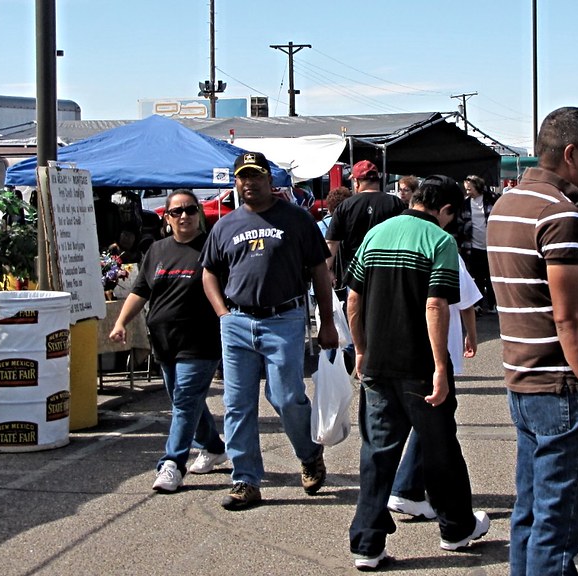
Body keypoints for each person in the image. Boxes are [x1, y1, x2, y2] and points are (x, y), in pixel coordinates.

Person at [486, 107, 578, 576]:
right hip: (563, 390)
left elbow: (532, 278)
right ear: (571, 154)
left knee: (530, 518)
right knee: (560, 530)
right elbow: (571, 321)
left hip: (525, 380)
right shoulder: (558, 215)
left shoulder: (509, 205)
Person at [346, 175, 490, 570]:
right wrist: (442, 365)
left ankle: (366, 544)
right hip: (419, 366)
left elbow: (353, 299)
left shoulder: (376, 235)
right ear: (444, 210)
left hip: (377, 363)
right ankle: (456, 528)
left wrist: (360, 348)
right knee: (441, 448)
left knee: (376, 453)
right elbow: (435, 305)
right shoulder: (439, 242)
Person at [200, 151, 338, 511]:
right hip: (238, 323)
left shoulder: (295, 219)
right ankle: (245, 479)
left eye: (256, 176)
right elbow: (209, 272)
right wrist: (223, 314)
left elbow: (319, 271)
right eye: (243, 177)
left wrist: (326, 322)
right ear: (236, 181)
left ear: (269, 178)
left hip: (284, 320)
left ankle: (309, 454)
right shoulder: (224, 226)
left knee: (286, 396)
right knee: (237, 403)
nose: (250, 183)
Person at [108, 190, 228, 493]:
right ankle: (214, 447)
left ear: (199, 213)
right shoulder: (157, 251)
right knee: (184, 401)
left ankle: (172, 464)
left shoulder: (211, 247)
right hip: (163, 341)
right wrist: (121, 322)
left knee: (185, 399)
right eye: (177, 212)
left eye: (189, 210)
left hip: (201, 341)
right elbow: (141, 291)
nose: (184, 216)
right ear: (167, 217)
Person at [387, 256, 481, 521]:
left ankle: (408, 486)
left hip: (401, 345)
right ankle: (407, 488)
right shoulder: (444, 249)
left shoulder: (395, 246)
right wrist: (471, 335)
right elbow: (466, 301)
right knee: (434, 416)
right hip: (438, 349)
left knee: (420, 417)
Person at [325, 160, 406, 292]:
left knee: (355, 310)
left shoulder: (345, 206)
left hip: (355, 271)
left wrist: (327, 271)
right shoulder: (395, 203)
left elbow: (331, 243)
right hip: (389, 270)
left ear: (356, 182)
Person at [457, 174, 500, 314]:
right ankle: (478, 305)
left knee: (491, 276)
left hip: (491, 245)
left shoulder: (491, 199)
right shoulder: (465, 204)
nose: (467, 192)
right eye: (466, 189)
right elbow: (460, 225)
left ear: (477, 186)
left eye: (470, 189)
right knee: (477, 277)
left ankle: (493, 304)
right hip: (472, 246)